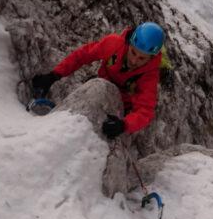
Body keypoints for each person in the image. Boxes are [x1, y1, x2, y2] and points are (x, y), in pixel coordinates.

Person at [30, 22, 165, 139]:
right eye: (133, 52)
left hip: (120, 108)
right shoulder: (114, 45)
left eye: (142, 58)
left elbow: (145, 110)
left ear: (151, 59)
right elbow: (82, 55)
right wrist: (54, 75)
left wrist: (124, 125)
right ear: (129, 43)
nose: (134, 60)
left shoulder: (149, 76)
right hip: (98, 87)